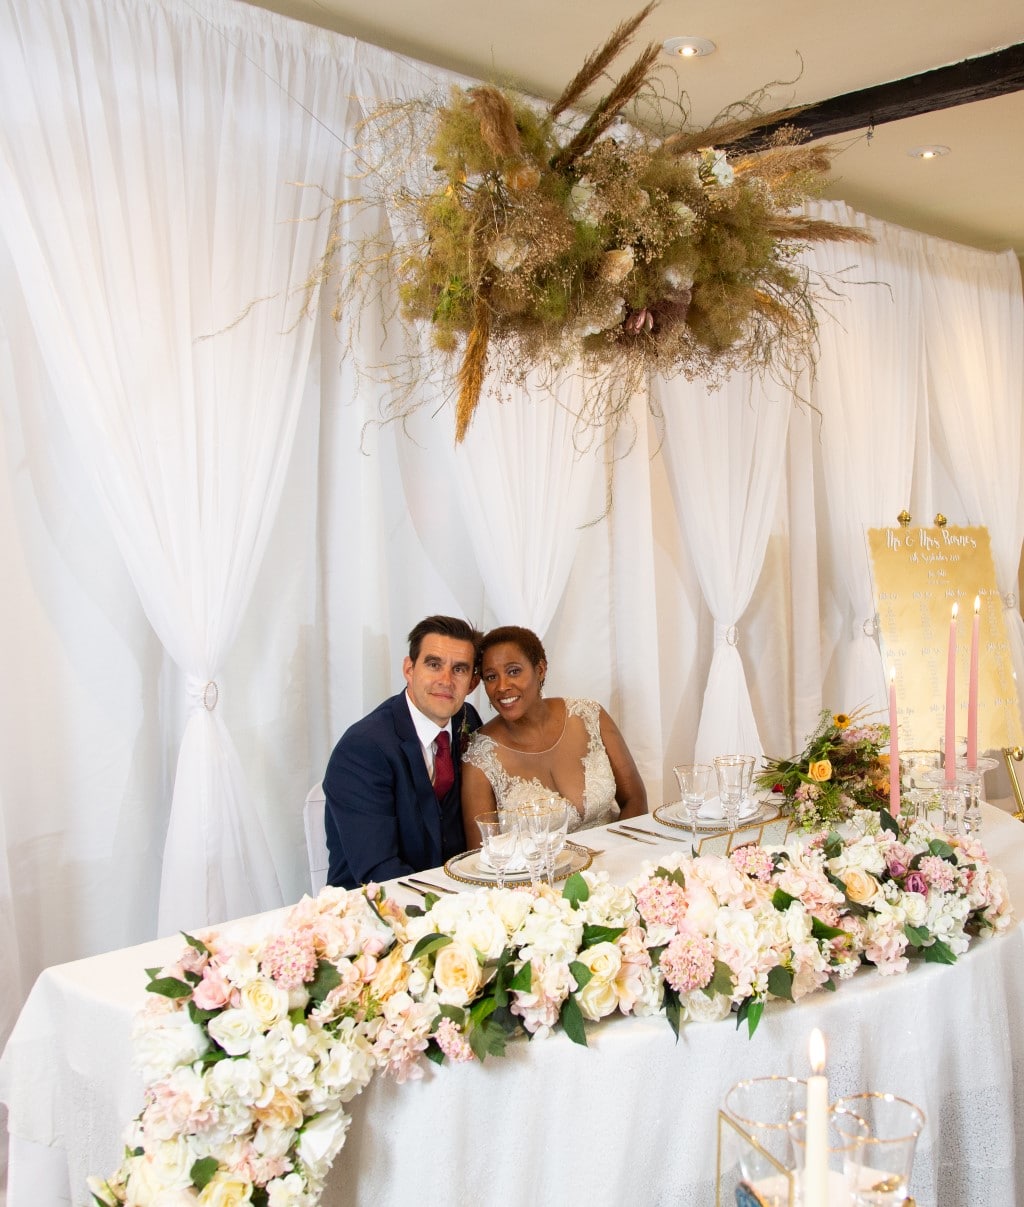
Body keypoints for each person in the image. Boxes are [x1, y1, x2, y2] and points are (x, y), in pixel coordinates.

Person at [324, 615, 483, 888]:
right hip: (378, 906)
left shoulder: (467, 719)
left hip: (459, 896)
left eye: (459, 669)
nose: (446, 680)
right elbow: (378, 869)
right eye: (434, 664)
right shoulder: (362, 748)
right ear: (409, 669)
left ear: (472, 682)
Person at [461, 625, 647, 843]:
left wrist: (614, 861)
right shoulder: (479, 757)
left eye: (514, 671)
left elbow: (635, 799)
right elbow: (483, 851)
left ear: (540, 669)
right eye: (491, 677)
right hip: (535, 875)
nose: (502, 686)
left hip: (615, 863)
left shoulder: (589, 715)